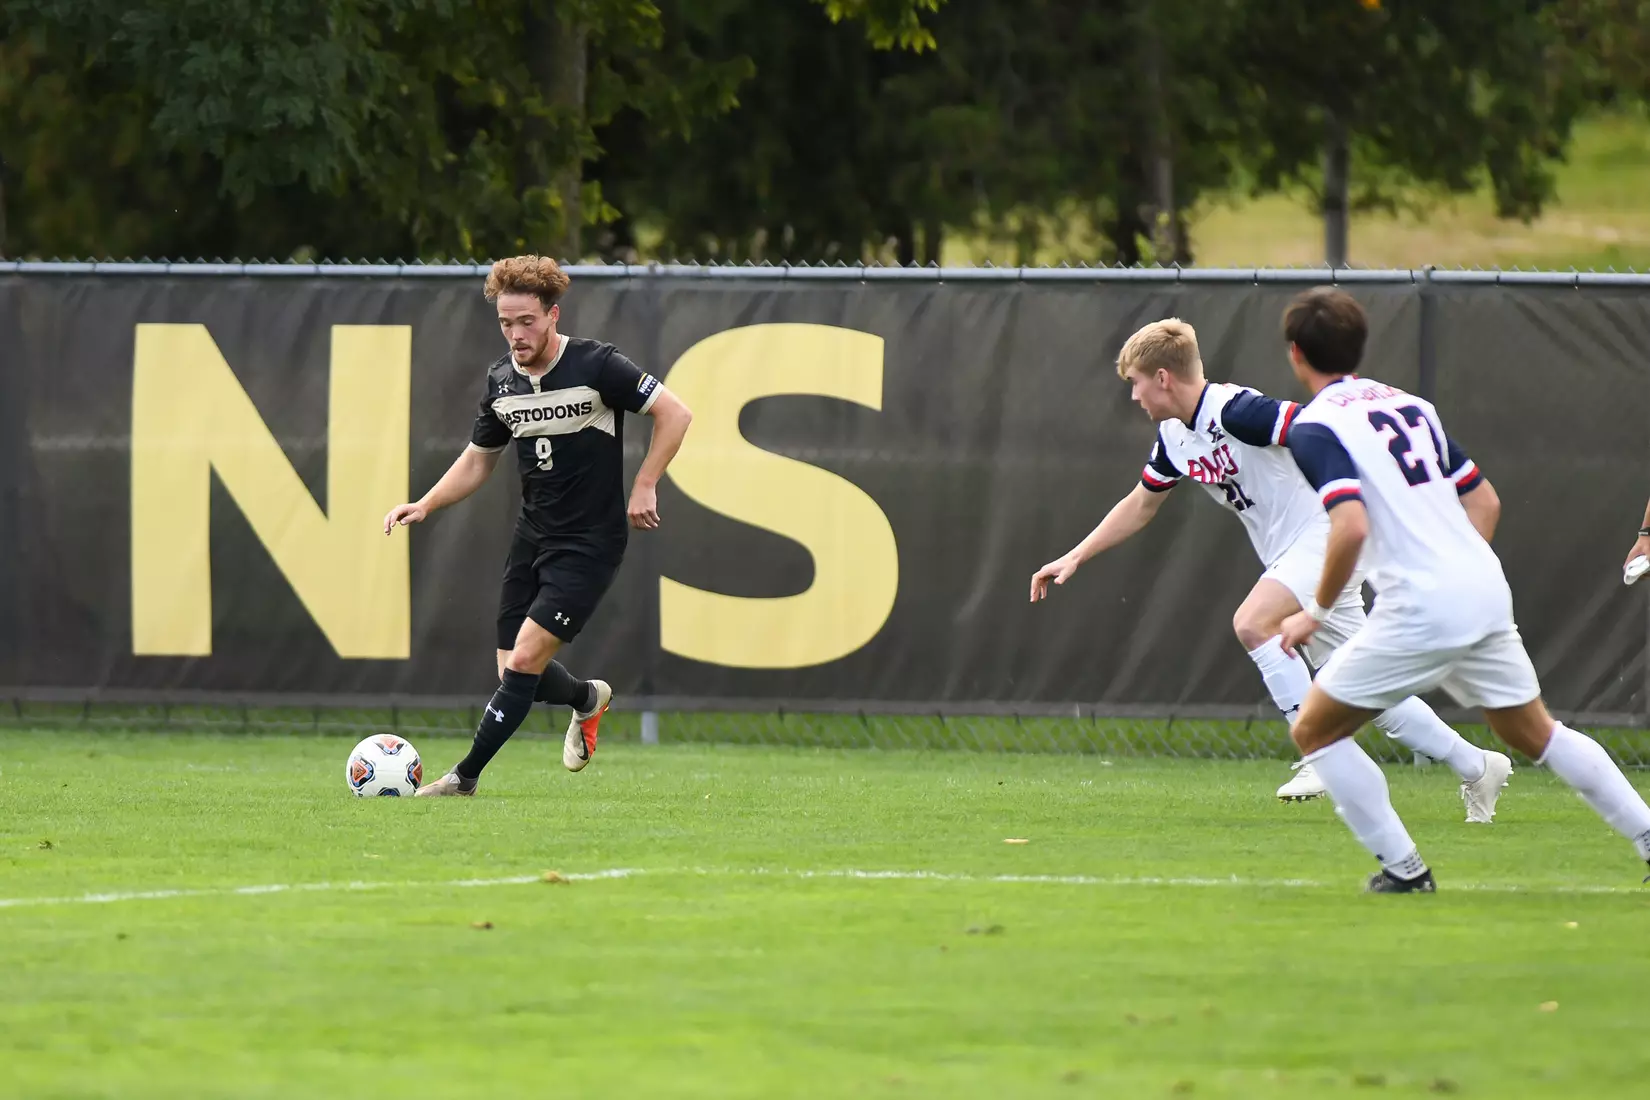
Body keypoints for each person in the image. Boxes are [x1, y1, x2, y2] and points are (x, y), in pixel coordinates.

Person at [1029, 318, 1511, 820]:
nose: (1134, 397)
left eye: (1136, 382)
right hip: (1295, 555)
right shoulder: (1174, 438)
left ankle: (1321, 749)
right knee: (1369, 688)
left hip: (1327, 534)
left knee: (1253, 623)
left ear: (1163, 378)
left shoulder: (1237, 411)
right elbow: (1141, 505)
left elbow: (1316, 429)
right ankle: (1478, 766)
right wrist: (1075, 555)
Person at [1277, 287, 1650, 892]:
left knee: (1315, 730)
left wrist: (1315, 610)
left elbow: (1349, 525)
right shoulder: (1413, 407)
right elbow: (1485, 499)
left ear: (1296, 354)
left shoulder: (1316, 425)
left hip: (1422, 604)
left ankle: (1404, 870)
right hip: (1482, 586)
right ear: (1360, 345)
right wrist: (1459, 571)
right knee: (1535, 732)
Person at [381, 256, 693, 796]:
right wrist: (426, 503)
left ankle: (465, 776)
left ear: (553, 315)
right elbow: (479, 459)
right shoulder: (502, 379)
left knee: (524, 659)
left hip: (590, 543)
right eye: (506, 323)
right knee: (512, 672)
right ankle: (586, 699)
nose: (516, 334)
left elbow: (676, 413)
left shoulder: (597, 365)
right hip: (533, 536)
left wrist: (645, 483)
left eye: (527, 321)